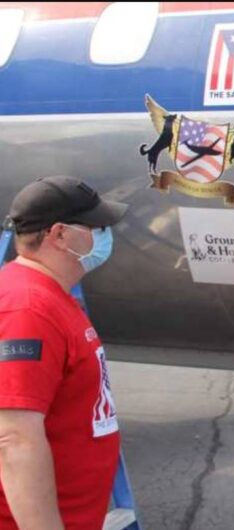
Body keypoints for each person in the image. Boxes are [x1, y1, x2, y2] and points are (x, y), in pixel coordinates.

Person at [0, 176, 128, 530]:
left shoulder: (47, 295)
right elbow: (14, 438)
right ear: (59, 235)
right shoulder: (27, 309)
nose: (104, 235)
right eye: (96, 226)